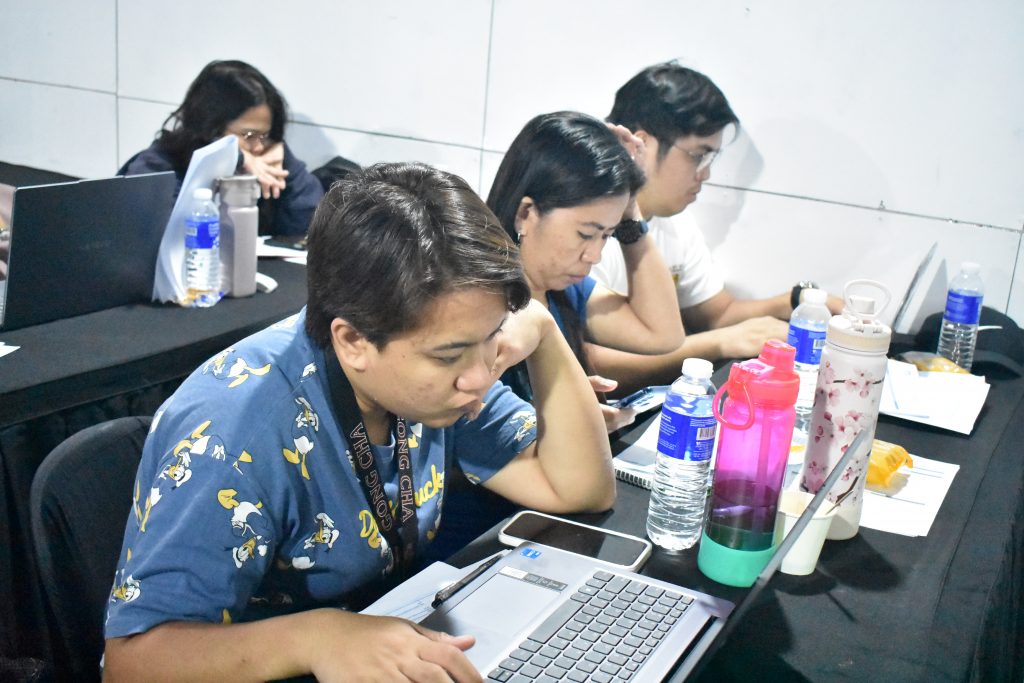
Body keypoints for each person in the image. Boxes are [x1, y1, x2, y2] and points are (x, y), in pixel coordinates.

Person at [102, 162, 614, 682]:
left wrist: (544, 336)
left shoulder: (441, 374)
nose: (480, 377)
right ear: (352, 342)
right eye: (451, 355)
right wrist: (315, 637)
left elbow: (579, 489)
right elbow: (130, 663)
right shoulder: (237, 435)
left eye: (492, 339)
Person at [590, 62, 842, 392]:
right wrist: (720, 344)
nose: (705, 174)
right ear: (642, 145)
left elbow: (715, 313)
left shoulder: (674, 222)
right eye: (698, 155)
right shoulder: (588, 228)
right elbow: (591, 362)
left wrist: (796, 301)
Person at [487, 111, 685, 432]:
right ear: (526, 213)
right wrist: (557, 422)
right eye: (585, 234)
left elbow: (663, 334)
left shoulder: (563, 290)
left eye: (607, 234)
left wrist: (630, 209)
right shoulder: (474, 301)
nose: (594, 255)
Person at [120, 59, 323, 236]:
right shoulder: (157, 165)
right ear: (209, 127)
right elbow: (169, 239)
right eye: (248, 135)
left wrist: (287, 166)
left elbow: (313, 227)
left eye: (265, 135)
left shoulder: (265, 158)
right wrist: (230, 158)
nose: (259, 146)